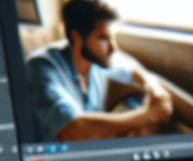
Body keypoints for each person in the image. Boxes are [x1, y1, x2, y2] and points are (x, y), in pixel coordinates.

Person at [25, 0, 173, 142]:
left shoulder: (97, 61)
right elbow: (72, 130)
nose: (112, 47)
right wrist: (147, 115)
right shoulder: (41, 67)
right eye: (103, 38)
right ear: (78, 36)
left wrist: (154, 89)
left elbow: (134, 70)